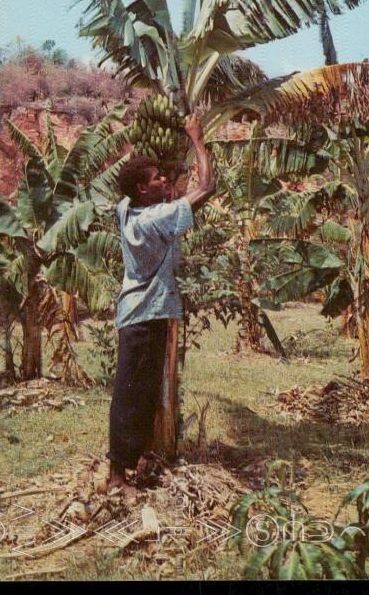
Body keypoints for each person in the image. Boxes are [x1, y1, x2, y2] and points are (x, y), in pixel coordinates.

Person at [107, 112, 215, 501]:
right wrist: (197, 138)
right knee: (131, 394)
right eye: (156, 179)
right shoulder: (154, 220)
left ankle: (135, 462)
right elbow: (207, 186)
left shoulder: (125, 209)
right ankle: (117, 477)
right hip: (143, 315)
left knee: (144, 391)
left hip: (142, 313)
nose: (164, 181)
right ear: (142, 189)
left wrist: (165, 182)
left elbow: (148, 190)